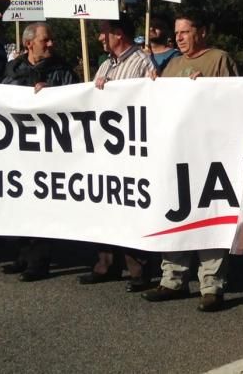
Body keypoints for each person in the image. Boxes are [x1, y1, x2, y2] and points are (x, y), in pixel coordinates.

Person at [142, 12, 238, 312]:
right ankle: (172, 278)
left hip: (209, 153)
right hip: (177, 154)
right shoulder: (172, 65)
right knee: (176, 215)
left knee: (208, 216)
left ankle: (211, 285)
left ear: (202, 32)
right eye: (177, 32)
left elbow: (236, 100)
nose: (179, 37)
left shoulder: (219, 60)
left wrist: (207, 88)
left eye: (185, 31)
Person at [0, 22, 79, 281]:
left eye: (51, 40)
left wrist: (52, 95)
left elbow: (76, 101)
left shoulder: (62, 70)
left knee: (42, 204)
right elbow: (2, 98)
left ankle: (39, 262)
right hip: (20, 148)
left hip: (49, 150)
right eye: (46, 40)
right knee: (21, 202)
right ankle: (23, 255)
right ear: (29, 43)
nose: (51, 44)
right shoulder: (14, 68)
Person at [78, 19, 156, 292]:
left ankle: (138, 270)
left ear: (118, 34)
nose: (100, 38)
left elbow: (151, 98)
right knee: (104, 206)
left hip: (131, 148)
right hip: (105, 147)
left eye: (103, 33)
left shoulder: (142, 61)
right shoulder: (106, 64)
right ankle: (105, 264)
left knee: (129, 208)